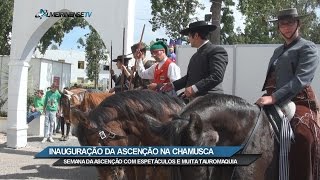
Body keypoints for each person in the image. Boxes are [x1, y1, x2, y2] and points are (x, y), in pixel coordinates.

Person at [255, 8, 320, 180]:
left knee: (303, 136)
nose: (286, 27)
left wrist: (274, 97)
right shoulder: (277, 51)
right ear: (278, 28)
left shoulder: (308, 47)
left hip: (299, 99)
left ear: (298, 23)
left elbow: (301, 79)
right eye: (282, 24)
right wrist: (269, 96)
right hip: (271, 99)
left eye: (290, 23)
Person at [161, 20, 228, 99]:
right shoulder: (195, 56)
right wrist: (172, 85)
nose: (188, 40)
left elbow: (217, 76)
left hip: (210, 98)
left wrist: (194, 88)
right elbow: (190, 77)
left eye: (189, 36)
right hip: (195, 97)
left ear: (196, 35)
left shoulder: (216, 51)